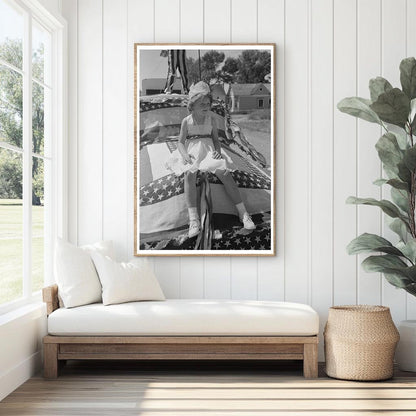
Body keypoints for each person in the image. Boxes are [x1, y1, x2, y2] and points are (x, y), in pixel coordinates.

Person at [166, 81, 255, 239]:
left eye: (208, 103)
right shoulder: (186, 121)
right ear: (192, 106)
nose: (206, 107)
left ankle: (243, 213)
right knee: (189, 173)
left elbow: (215, 140)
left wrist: (217, 152)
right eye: (202, 104)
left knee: (224, 171)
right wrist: (185, 155)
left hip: (208, 149)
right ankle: (194, 219)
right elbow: (180, 142)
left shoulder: (211, 119)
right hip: (192, 150)